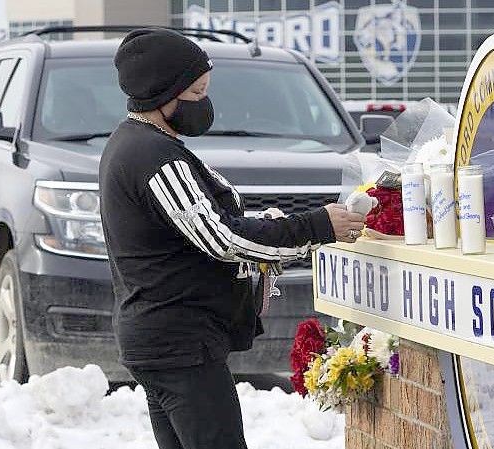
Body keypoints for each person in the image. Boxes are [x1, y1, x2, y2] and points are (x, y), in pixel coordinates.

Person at [99, 28, 366, 449]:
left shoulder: (141, 145)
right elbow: (221, 238)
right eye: (197, 91)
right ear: (163, 93)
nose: (204, 103)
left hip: (166, 341)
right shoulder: (151, 156)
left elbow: (201, 222)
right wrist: (316, 227)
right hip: (179, 344)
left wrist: (271, 222)